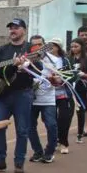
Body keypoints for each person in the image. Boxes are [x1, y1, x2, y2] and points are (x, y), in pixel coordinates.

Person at [0, 18, 34, 173]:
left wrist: (26, 67)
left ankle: (19, 162)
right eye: (11, 28)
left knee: (22, 130)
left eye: (16, 27)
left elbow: (39, 69)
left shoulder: (31, 49)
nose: (12, 30)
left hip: (23, 94)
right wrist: (12, 67)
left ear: (24, 30)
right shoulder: (1, 50)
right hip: (3, 95)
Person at [27, 35, 59, 164]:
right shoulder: (26, 60)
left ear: (45, 45)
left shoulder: (54, 60)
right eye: (34, 45)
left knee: (51, 125)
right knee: (30, 126)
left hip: (48, 100)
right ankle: (38, 152)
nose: (37, 48)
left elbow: (60, 79)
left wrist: (55, 80)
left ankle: (49, 152)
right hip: (31, 99)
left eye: (40, 44)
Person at [47, 40, 74, 155]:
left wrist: (61, 79)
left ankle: (64, 142)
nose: (50, 48)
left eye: (52, 46)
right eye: (48, 46)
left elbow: (71, 76)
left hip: (63, 94)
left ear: (58, 47)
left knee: (64, 119)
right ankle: (54, 142)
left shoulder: (65, 60)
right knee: (51, 122)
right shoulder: (44, 60)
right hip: (48, 95)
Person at [68, 38, 87, 144]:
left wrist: (84, 75)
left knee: (81, 110)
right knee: (68, 111)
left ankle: (80, 134)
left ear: (81, 47)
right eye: (72, 47)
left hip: (83, 88)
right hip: (70, 86)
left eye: (76, 46)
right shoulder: (69, 58)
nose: (73, 49)